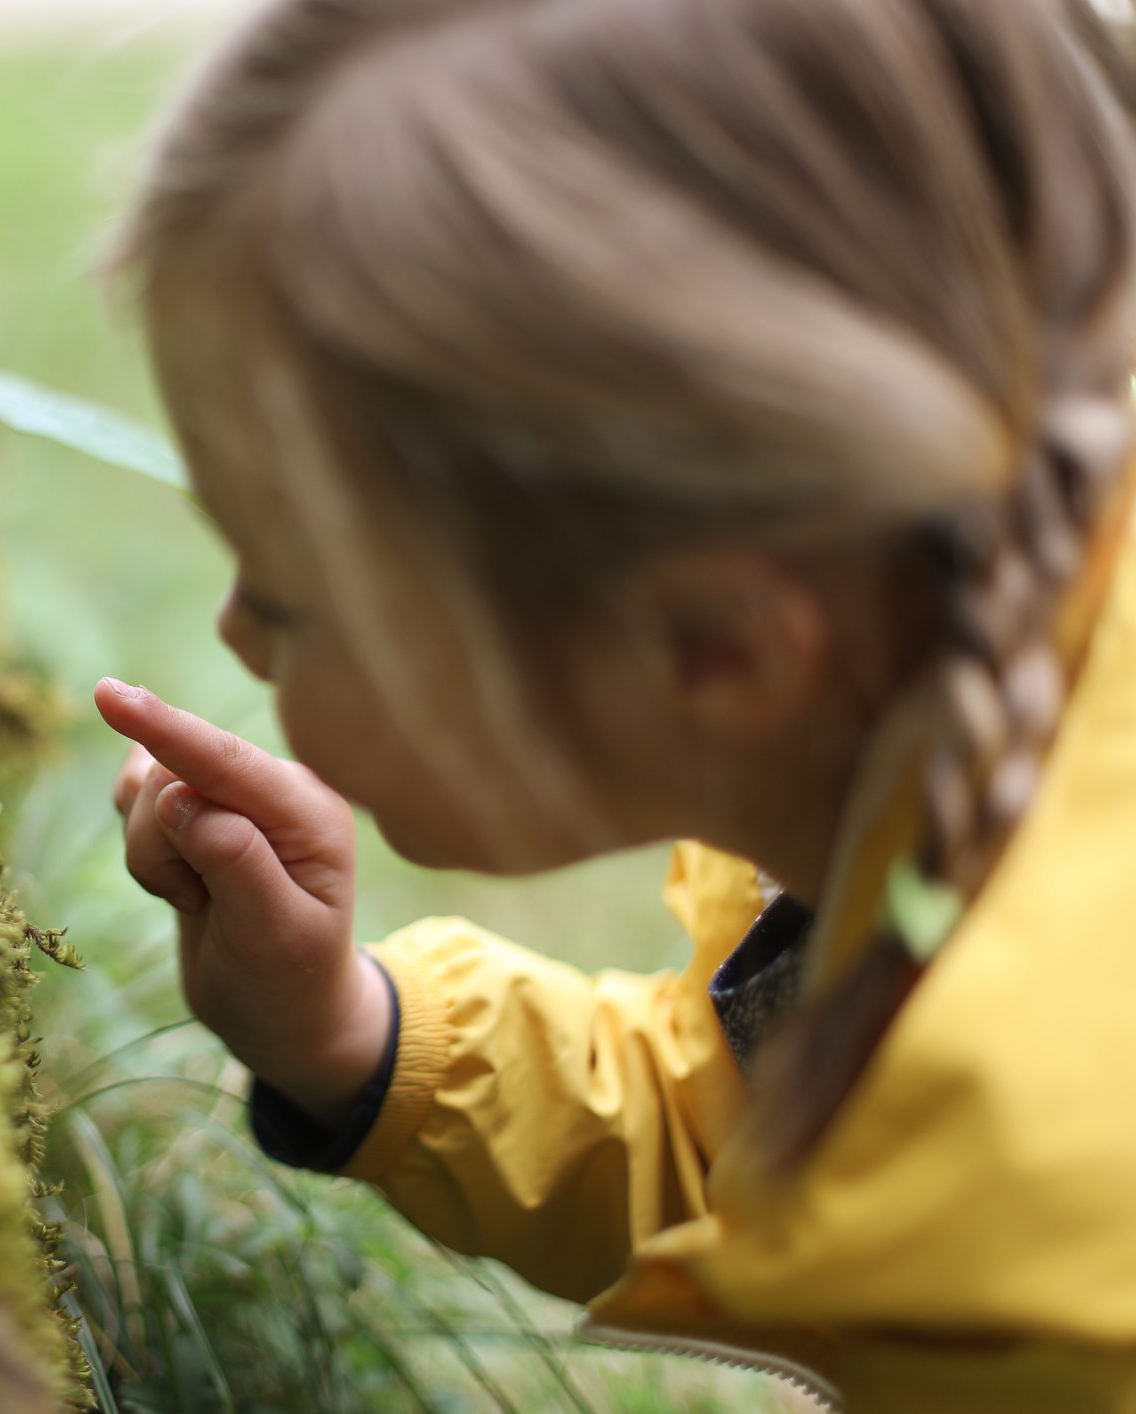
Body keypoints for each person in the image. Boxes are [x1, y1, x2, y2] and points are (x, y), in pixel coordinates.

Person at [95, 1, 1136, 1408]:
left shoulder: (1045, 1222)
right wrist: (357, 1033)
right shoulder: (951, 773)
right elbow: (764, 1136)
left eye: (287, 592)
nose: (232, 628)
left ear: (711, 646)